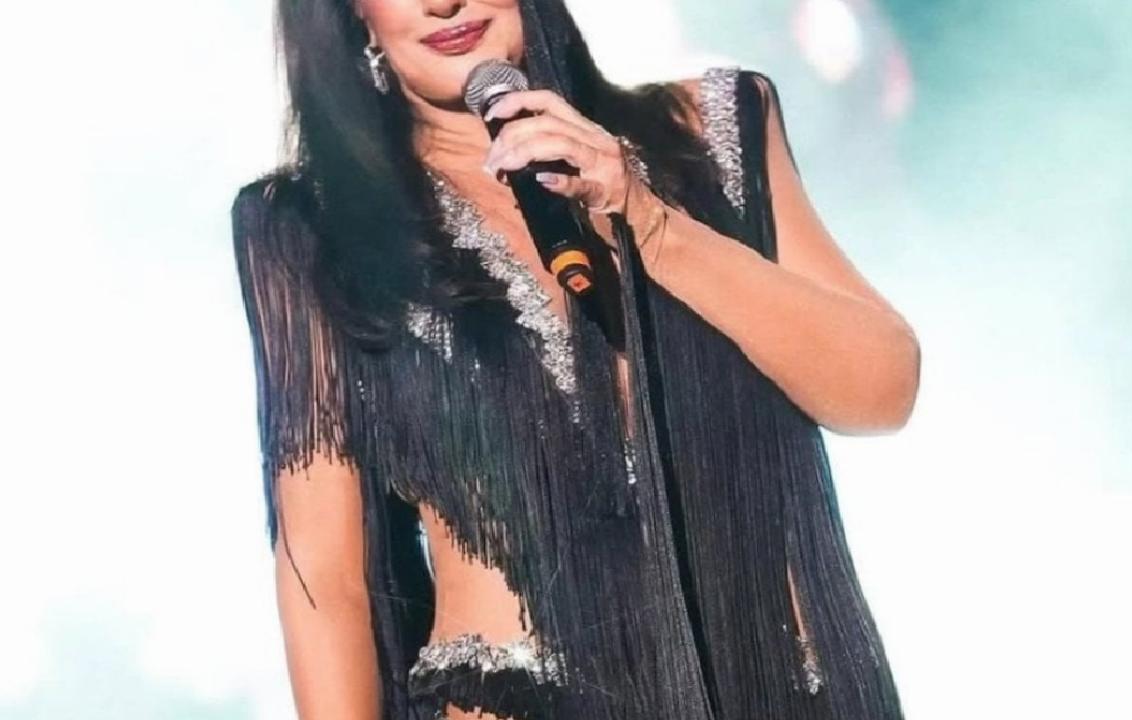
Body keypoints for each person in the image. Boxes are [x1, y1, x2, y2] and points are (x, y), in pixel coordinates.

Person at [230, 0, 920, 718]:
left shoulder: (713, 133)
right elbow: (327, 577)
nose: (442, 2)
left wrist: (650, 222)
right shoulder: (312, 230)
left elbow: (880, 389)